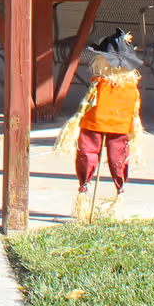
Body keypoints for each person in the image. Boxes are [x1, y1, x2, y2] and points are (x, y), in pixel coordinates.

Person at [55, 29, 146, 221]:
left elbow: (134, 111)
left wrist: (134, 126)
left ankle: (117, 192)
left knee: (116, 158)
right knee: (88, 155)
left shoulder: (128, 87)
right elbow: (85, 106)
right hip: (94, 124)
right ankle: (86, 189)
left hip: (118, 127)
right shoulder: (101, 83)